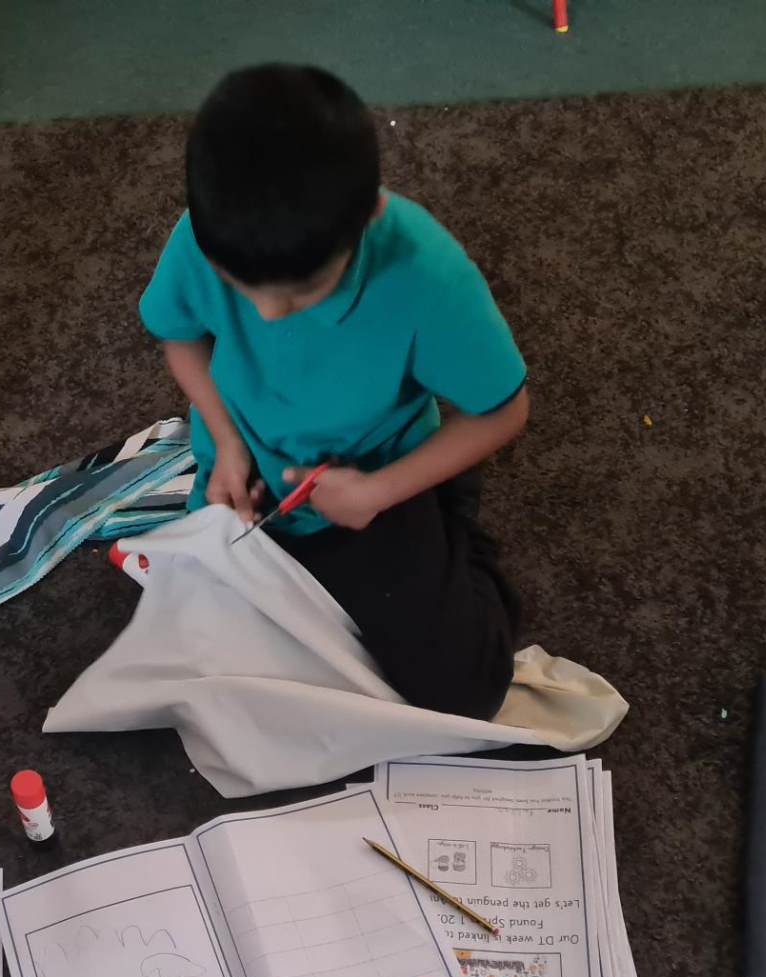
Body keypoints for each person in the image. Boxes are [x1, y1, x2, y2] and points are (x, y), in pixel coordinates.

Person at [140, 63, 532, 719]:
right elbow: (181, 338)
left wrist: (379, 491)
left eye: (301, 295)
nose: (266, 315)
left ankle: (450, 514)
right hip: (245, 478)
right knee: (204, 663)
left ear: (369, 217)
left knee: (464, 694)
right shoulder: (206, 235)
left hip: (371, 485)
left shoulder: (428, 277)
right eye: (239, 289)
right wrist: (227, 443)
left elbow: (503, 410)